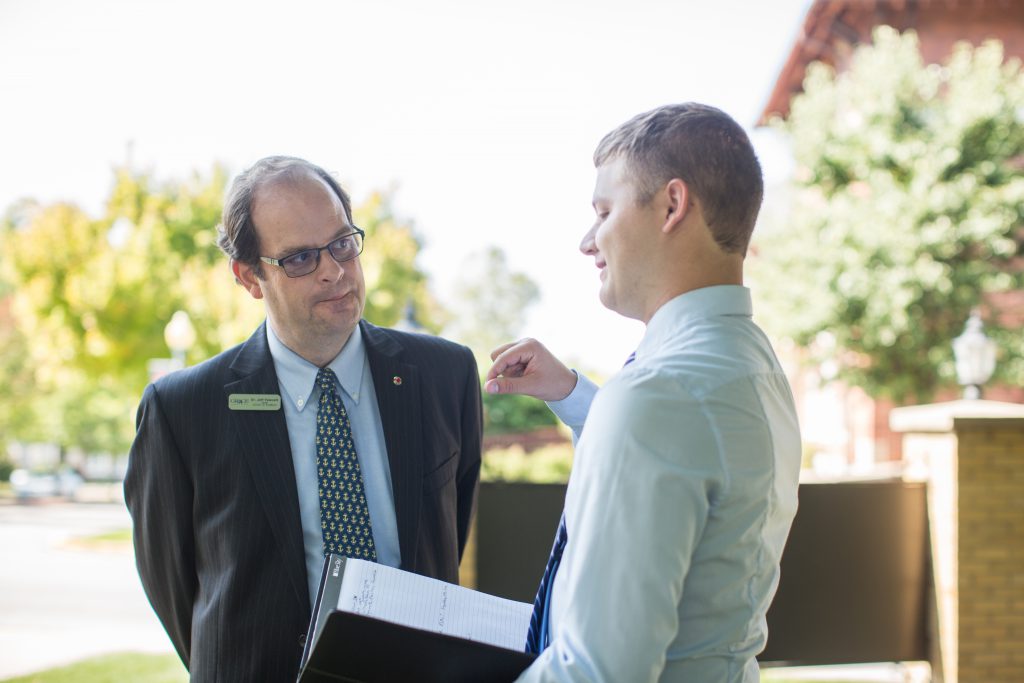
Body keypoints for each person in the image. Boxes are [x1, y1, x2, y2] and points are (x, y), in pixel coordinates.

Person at [124, 156, 482, 682]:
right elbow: (174, 586)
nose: (334, 271)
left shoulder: (444, 374)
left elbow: (454, 523)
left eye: (342, 243)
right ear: (249, 277)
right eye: (299, 259)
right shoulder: (181, 410)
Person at [486, 103, 801, 682]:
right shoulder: (751, 366)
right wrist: (576, 397)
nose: (588, 240)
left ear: (672, 205)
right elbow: (680, 455)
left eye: (603, 210)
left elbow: (597, 671)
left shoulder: (657, 394)